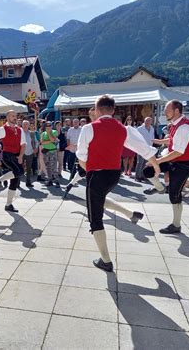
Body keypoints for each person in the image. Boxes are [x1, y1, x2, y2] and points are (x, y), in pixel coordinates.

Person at [76, 95, 160, 272]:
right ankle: (131, 214)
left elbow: (81, 157)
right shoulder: (124, 129)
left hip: (97, 175)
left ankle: (105, 260)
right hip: (114, 175)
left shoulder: (88, 128)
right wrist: (155, 164)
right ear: (113, 111)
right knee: (99, 200)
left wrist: (89, 172)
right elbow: (143, 148)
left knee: (95, 218)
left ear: (97, 110)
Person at [143, 100, 189, 235]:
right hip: (174, 158)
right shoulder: (175, 124)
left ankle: (176, 225)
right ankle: (160, 188)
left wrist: (158, 161)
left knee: (174, 194)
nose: (164, 112)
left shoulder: (184, 127)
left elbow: (179, 151)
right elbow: (173, 140)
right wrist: (159, 141)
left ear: (176, 111)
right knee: (148, 170)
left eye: (167, 110)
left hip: (183, 163)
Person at [135, 116, 155, 181]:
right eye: (147, 121)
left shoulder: (152, 128)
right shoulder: (139, 128)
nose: (148, 122)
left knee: (145, 163)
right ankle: (137, 177)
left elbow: (152, 138)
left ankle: (143, 176)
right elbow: (136, 138)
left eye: (149, 121)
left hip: (149, 148)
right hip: (141, 148)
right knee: (140, 163)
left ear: (151, 122)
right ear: (144, 121)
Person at [41, 121, 60, 187]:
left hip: (53, 151)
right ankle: (50, 180)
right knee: (47, 166)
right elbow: (42, 142)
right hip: (46, 152)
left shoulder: (54, 132)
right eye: (47, 126)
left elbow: (53, 140)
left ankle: (57, 181)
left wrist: (49, 134)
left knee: (54, 166)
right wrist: (50, 141)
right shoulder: (43, 133)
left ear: (52, 126)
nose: (48, 127)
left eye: (49, 126)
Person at [22, 120, 37, 188]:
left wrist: (35, 148)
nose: (25, 126)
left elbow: (36, 142)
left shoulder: (32, 133)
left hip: (30, 152)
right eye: (24, 124)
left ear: (28, 126)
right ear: (22, 125)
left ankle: (28, 182)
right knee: (19, 168)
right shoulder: (19, 133)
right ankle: (17, 183)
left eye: (26, 124)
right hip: (21, 153)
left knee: (29, 168)